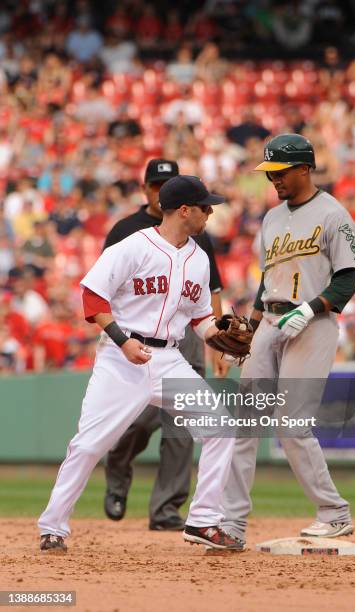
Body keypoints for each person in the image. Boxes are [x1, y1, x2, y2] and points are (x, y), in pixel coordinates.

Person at [38, 175, 244, 553]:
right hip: (122, 358)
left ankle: (203, 521)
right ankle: (53, 526)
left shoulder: (198, 257)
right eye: (205, 206)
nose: (210, 212)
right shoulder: (132, 247)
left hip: (168, 359)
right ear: (184, 210)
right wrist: (122, 340)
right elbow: (93, 297)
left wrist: (219, 333)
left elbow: (198, 319)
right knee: (88, 445)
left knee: (221, 428)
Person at [220, 134, 355, 543]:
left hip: (312, 325)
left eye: (280, 172)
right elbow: (269, 277)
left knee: (291, 424)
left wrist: (312, 308)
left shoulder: (334, 214)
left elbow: (349, 276)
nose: (274, 180)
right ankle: (231, 524)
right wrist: (252, 326)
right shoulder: (271, 218)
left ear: (304, 168)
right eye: (270, 174)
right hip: (272, 322)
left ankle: (334, 513)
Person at [103, 158, 227, 531]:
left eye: (168, 185)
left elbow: (211, 291)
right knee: (136, 420)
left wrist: (217, 343)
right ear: (145, 190)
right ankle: (118, 471)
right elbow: (104, 290)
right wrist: (119, 340)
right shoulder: (126, 230)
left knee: (182, 427)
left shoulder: (196, 232)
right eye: (156, 186)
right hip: (137, 338)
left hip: (185, 336)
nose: (162, 192)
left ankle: (167, 509)